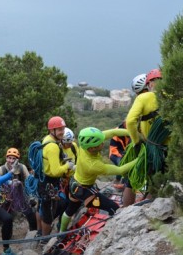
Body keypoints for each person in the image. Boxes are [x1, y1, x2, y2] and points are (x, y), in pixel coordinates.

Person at [59, 127, 138, 232]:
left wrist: (132, 133)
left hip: (74, 184)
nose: (103, 143)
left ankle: (61, 232)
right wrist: (139, 158)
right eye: (100, 143)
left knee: (71, 209)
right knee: (114, 208)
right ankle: (115, 231)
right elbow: (120, 170)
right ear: (91, 149)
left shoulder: (85, 146)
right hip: (85, 192)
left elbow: (113, 132)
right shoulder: (93, 165)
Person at [122, 69, 163, 207]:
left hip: (150, 145)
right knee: (158, 177)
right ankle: (153, 205)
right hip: (169, 147)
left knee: (135, 175)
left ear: (150, 83)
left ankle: (128, 210)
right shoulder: (173, 96)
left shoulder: (143, 98)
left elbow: (130, 121)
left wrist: (136, 141)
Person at [38, 116, 75, 243]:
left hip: (46, 181)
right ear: (52, 130)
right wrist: (67, 166)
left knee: (53, 206)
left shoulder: (48, 140)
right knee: (48, 212)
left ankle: (42, 232)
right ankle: (44, 240)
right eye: (59, 130)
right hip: (49, 182)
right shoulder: (52, 146)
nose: (62, 132)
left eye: (63, 129)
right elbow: (55, 171)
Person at [0, 147, 38, 232]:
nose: (11, 161)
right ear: (6, 158)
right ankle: (7, 235)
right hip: (6, 195)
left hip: (21, 194)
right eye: (9, 158)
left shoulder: (22, 167)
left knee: (30, 212)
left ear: (17, 160)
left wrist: (31, 196)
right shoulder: (0, 170)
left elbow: (28, 181)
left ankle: (33, 231)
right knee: (7, 217)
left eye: (14, 159)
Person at [109, 121, 130, 190]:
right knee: (122, 164)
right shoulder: (117, 133)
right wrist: (121, 155)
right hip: (114, 154)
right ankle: (123, 184)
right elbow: (113, 148)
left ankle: (119, 180)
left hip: (124, 153)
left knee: (122, 165)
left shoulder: (131, 132)